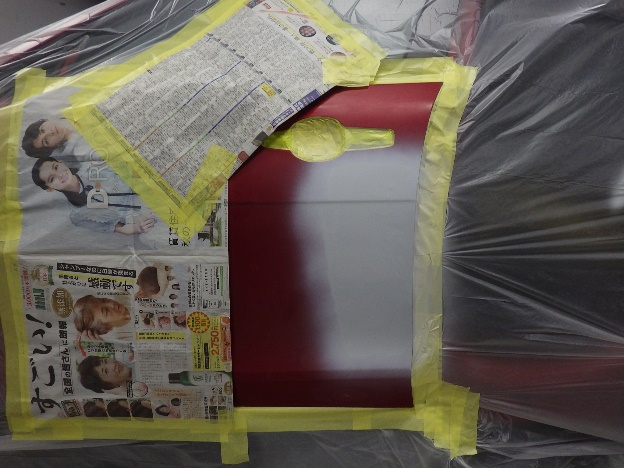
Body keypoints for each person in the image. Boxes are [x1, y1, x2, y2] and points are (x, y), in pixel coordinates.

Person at [31, 157, 156, 236]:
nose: (59, 175)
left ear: (61, 162)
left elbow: (132, 171)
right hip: (147, 223)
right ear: (50, 189)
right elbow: (121, 229)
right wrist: (136, 228)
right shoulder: (77, 215)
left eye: (56, 167)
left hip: (152, 193)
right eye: (52, 179)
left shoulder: (92, 166)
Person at [22, 117, 100, 166]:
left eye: (42, 130)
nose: (50, 133)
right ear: (53, 147)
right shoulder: (81, 151)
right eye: (46, 141)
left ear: (45, 121)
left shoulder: (67, 105)